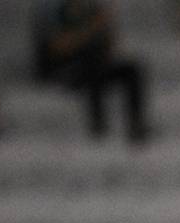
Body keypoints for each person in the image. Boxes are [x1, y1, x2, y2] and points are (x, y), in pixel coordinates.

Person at [32, 0, 151, 143]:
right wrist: (92, 28)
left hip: (93, 66)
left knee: (131, 70)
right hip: (62, 68)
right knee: (93, 69)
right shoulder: (52, 9)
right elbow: (58, 47)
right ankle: (98, 125)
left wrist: (106, 28)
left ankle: (136, 123)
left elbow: (109, 50)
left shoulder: (91, 9)